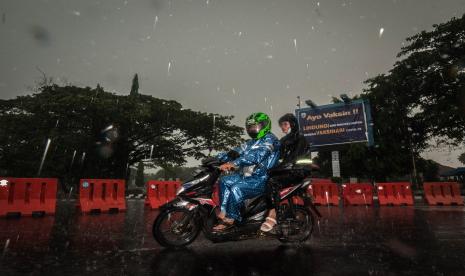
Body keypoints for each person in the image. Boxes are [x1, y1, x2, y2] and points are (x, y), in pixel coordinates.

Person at [213, 112, 280, 232]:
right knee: (224, 181)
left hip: (261, 178)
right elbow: (235, 151)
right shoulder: (251, 142)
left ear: (265, 125)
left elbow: (257, 156)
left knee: (236, 189)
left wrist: (234, 163)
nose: (252, 129)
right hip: (246, 176)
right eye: (250, 127)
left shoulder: (270, 140)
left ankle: (232, 219)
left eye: (255, 126)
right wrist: (217, 158)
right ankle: (224, 212)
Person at [260, 113, 309, 232]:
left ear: (292, 124)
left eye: (285, 124)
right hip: (286, 170)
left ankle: (272, 215)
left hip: (297, 171)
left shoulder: (300, 139)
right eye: (281, 125)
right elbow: (276, 156)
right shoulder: (283, 140)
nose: (283, 127)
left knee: (272, 182)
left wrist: (277, 168)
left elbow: (293, 159)